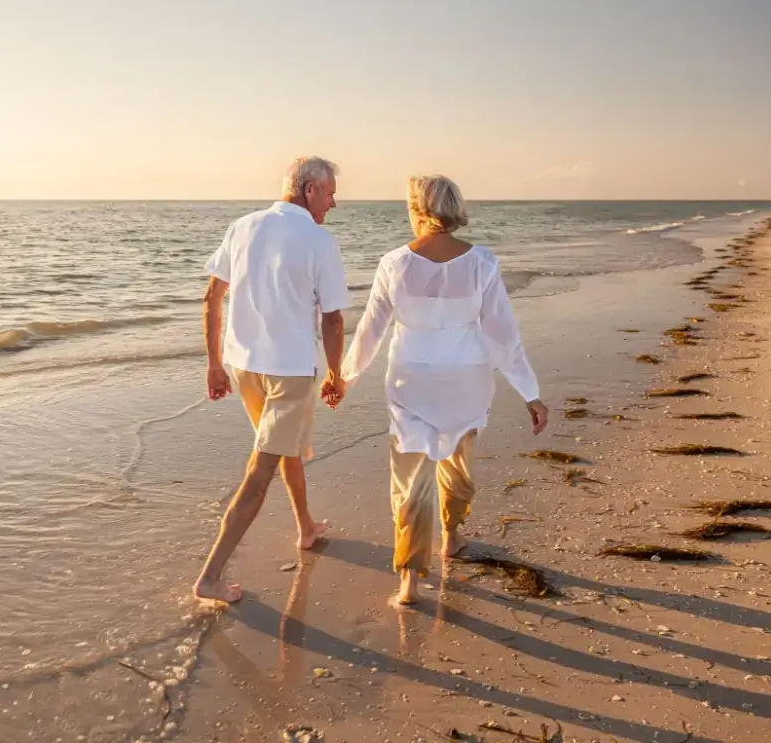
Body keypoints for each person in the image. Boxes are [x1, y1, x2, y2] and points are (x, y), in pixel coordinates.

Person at [333, 175, 548, 606]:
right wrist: (530, 392)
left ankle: (409, 582)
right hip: (466, 382)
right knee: (458, 464)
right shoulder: (483, 262)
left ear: (417, 209)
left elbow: (371, 332)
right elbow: (503, 336)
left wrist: (343, 377)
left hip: (411, 382)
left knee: (411, 481)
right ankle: (450, 536)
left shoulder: (394, 263)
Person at [194, 156, 349, 604]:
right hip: (289, 373)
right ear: (309, 190)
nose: (333, 203)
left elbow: (212, 298)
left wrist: (215, 364)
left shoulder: (243, 226)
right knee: (260, 471)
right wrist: (336, 373)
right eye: (330, 193)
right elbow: (333, 319)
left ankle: (305, 527)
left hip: (244, 367)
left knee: (286, 448)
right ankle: (210, 577)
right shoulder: (319, 241)